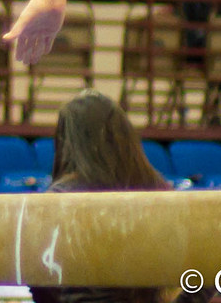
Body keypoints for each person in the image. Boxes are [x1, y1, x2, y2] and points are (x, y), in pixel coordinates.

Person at [28, 89, 171, 303]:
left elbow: (38, 282)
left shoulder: (59, 200)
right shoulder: (159, 191)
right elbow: (203, 273)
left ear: (68, 141)